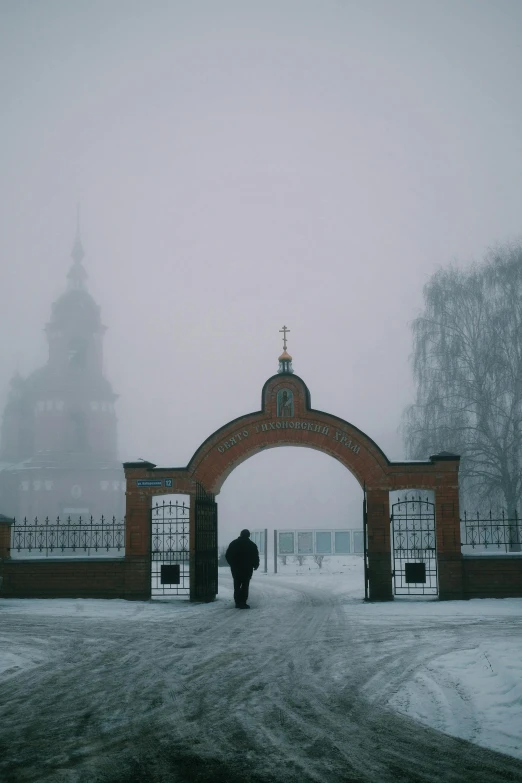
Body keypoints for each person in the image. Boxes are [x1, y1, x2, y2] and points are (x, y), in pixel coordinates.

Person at [225, 529, 260, 608]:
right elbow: (255, 556)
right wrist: (255, 565)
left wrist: (232, 564)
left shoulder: (233, 543)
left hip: (236, 568)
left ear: (240, 534)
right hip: (247, 569)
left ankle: (237, 602)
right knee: (245, 585)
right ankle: (243, 602)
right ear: (248, 535)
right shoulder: (252, 545)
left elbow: (228, 555)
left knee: (236, 584)